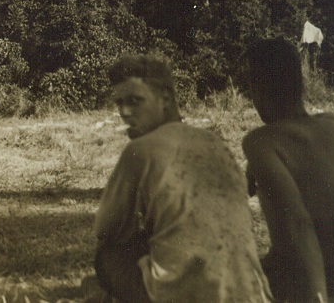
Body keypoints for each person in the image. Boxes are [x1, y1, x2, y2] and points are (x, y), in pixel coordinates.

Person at [89, 54, 271, 302]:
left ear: (165, 100)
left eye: (134, 101)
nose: (124, 112)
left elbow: (106, 229)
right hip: (249, 292)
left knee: (108, 254)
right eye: (119, 103)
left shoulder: (140, 150)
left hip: (184, 296)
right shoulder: (215, 142)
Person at [243, 37, 334, 302]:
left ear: (258, 89)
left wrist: (318, 296)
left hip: (319, 277)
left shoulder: (260, 142)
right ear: (299, 83)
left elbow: (298, 223)